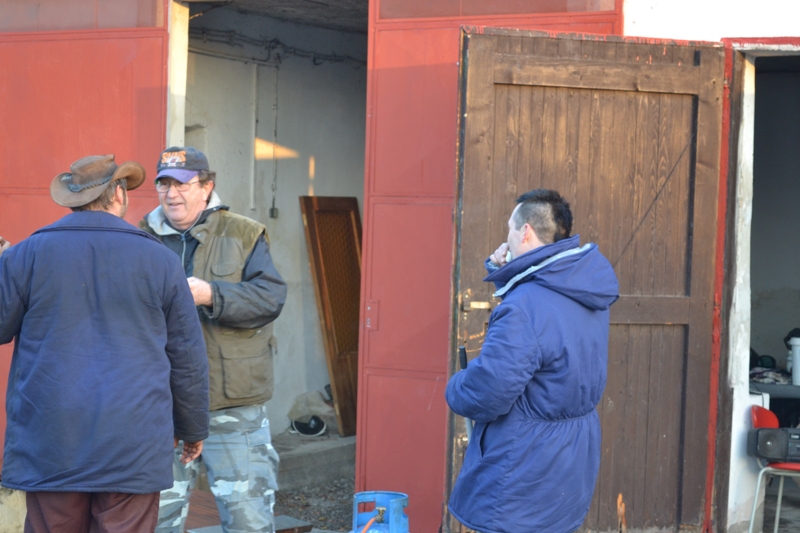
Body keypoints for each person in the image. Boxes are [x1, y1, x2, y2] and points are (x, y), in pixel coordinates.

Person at [0, 154, 210, 533]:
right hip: (133, 441)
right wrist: (193, 429)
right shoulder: (161, 261)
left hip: (51, 438)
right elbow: (187, 358)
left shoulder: (25, 255)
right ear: (118, 194)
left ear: (72, 199)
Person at [446, 189, 619, 533]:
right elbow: (542, 316)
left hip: (524, 470)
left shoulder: (524, 306)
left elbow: (487, 392)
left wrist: (457, 386)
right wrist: (505, 271)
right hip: (569, 464)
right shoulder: (582, 290)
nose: (506, 239)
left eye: (510, 229)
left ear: (525, 231)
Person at [139, 146, 287, 533]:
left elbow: (270, 299)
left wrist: (211, 294)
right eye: (164, 184)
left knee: (248, 521)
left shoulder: (244, 232)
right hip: (163, 409)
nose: (172, 194)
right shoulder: (139, 238)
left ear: (207, 187)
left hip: (232, 407)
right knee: (154, 522)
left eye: (182, 184)